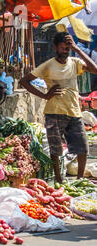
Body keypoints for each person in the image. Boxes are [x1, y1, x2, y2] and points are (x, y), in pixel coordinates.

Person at [20, 32, 97, 183]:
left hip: (74, 112)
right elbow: (24, 81)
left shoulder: (75, 62)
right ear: (55, 47)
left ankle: (80, 180)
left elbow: (94, 69)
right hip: (53, 113)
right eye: (62, 48)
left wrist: (78, 49)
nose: (65, 51)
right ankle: (59, 180)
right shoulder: (48, 65)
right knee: (56, 150)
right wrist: (45, 95)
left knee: (82, 148)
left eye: (67, 48)